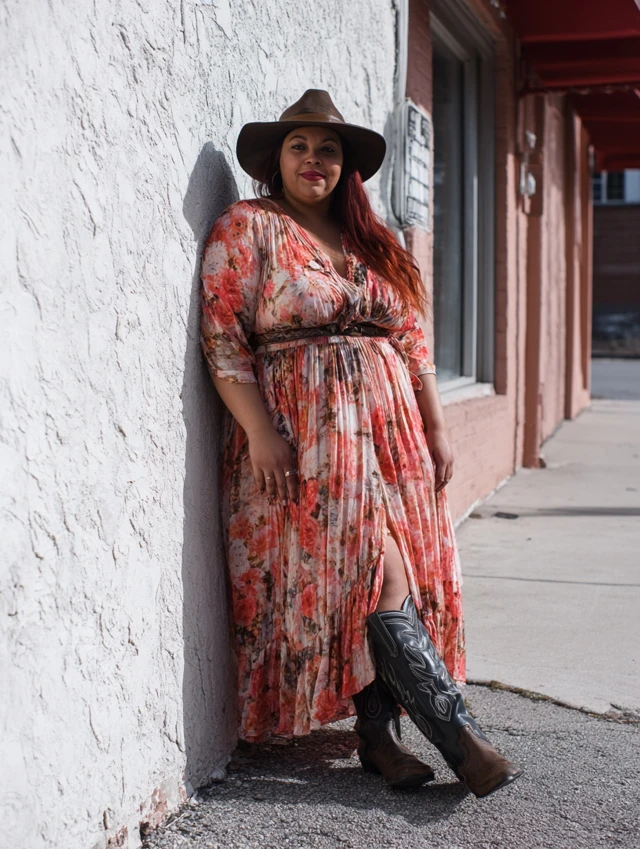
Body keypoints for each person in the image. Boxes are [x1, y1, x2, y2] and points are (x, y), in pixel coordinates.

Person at [199, 89, 523, 798]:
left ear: (346, 167)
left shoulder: (373, 243)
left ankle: (380, 734)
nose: (314, 159)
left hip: (391, 432)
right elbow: (223, 338)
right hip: (306, 432)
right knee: (377, 572)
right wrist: (258, 429)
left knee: (383, 570)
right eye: (299, 146)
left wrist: (437, 424)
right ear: (275, 161)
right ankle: (458, 735)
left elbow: (412, 342)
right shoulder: (248, 226)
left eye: (329, 149)